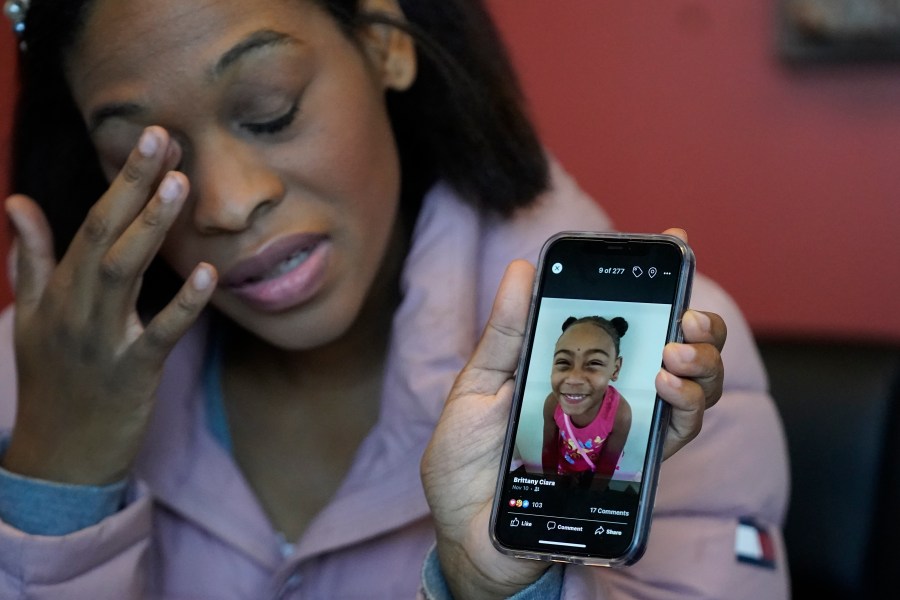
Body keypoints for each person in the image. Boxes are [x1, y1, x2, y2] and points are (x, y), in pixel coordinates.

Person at [0, 0, 789, 598]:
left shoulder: (666, 368)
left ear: (385, 44)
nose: (226, 204)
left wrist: (499, 591)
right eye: (144, 157)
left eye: (270, 111)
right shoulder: (32, 385)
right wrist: (58, 476)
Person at [542, 316, 632, 485]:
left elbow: (607, 466)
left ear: (615, 369)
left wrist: (591, 499)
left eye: (594, 362)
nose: (574, 379)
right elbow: (549, 450)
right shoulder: (552, 404)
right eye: (563, 361)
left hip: (594, 472)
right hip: (565, 468)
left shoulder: (621, 414)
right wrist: (549, 487)